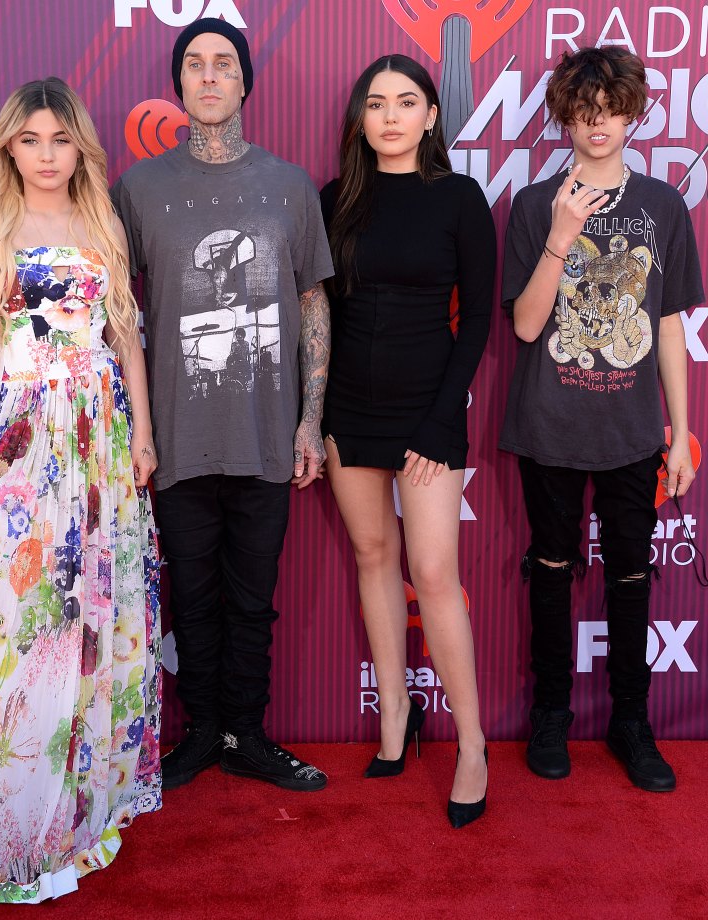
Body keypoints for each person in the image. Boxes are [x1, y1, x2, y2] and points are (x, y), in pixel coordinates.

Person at [0, 20, 334, 794]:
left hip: (260, 433)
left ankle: (247, 736)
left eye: (225, 64)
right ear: (179, 84)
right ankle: (197, 736)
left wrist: (310, 419)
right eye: (195, 65)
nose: (211, 77)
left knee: (255, 598)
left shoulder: (288, 186)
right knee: (186, 595)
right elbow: (65, 266)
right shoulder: (137, 191)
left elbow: (314, 302)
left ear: (246, 82)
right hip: (171, 439)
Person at [0, 78, 161, 903]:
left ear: (80, 149)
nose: (45, 156)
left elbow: (126, 332)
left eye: (59, 141)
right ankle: (15, 824)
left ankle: (80, 813)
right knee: (26, 619)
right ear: (8, 148)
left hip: (100, 440)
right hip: (25, 437)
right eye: (29, 140)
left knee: (93, 614)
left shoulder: (102, 220)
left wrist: (140, 430)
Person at [499, 46, 704, 791]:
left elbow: (672, 325)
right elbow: (524, 328)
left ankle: (631, 720)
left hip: (631, 429)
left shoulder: (662, 205)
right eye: (584, 113)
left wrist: (679, 431)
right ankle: (551, 713)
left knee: (630, 576)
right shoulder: (530, 206)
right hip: (550, 423)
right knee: (550, 572)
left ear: (633, 113)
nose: (598, 126)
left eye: (611, 111)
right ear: (565, 117)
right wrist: (559, 234)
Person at [320, 55, 495, 827]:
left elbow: (481, 320)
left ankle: (474, 744)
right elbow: (318, 316)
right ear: (361, 119)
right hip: (347, 409)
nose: (390, 116)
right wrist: (314, 414)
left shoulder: (460, 199)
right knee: (373, 557)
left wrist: (439, 417)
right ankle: (395, 717)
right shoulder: (334, 202)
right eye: (376, 104)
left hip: (429, 413)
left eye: (406, 102)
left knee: (433, 570)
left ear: (431, 116)